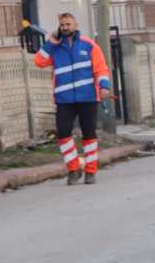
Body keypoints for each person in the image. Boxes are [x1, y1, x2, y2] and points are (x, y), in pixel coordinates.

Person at [32, 12, 113, 186]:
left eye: (68, 24)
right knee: (62, 133)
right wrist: (49, 44)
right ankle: (73, 169)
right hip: (64, 99)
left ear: (75, 25)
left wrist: (104, 87)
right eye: (62, 25)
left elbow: (101, 69)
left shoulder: (89, 45)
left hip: (88, 97)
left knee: (89, 134)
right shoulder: (54, 48)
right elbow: (38, 61)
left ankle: (90, 171)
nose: (65, 28)